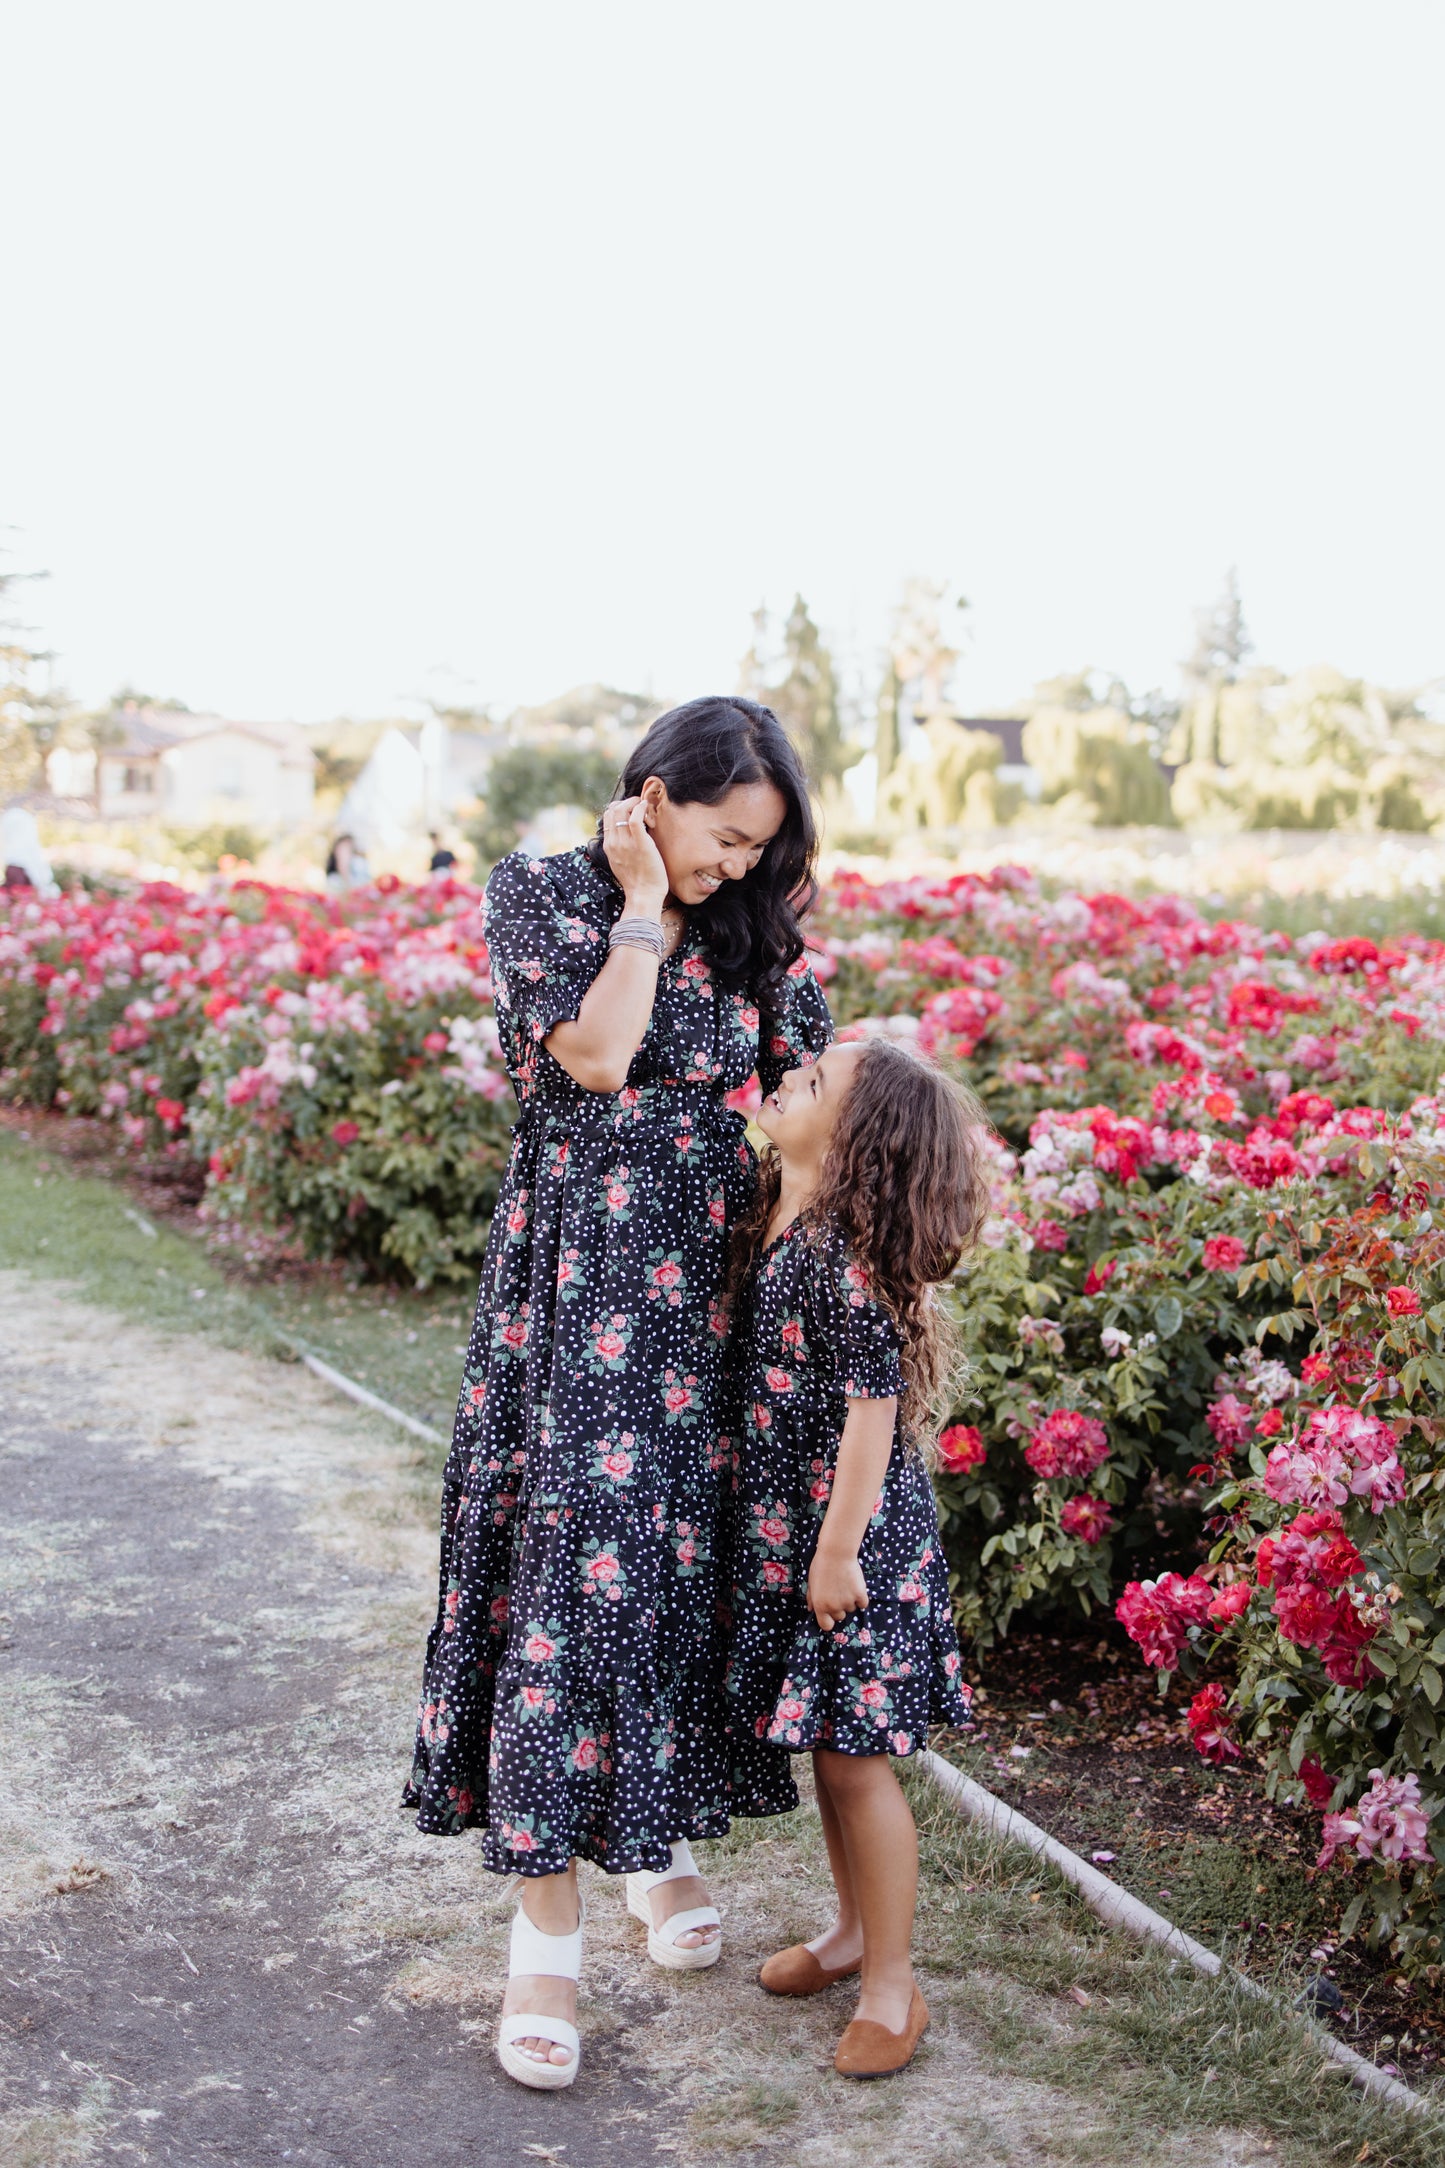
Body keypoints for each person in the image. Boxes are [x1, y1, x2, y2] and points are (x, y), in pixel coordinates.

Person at [402, 695, 833, 2090]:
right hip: (582, 1293)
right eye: (723, 839)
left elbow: (803, 1096)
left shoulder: (760, 927)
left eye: (763, 850)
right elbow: (592, 1058)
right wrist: (646, 906)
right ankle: (544, 1946)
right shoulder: (543, 892)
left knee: (668, 1578)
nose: (738, 871)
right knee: (565, 1588)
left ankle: (658, 1851)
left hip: (713, 1297)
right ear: (653, 795)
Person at [722, 1037, 988, 2078]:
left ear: (851, 1145)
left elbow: (870, 1412)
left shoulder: (838, 1256)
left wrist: (835, 1552)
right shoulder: (780, 1214)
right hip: (801, 1534)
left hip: (854, 1544)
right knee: (829, 1755)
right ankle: (844, 1936)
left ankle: (892, 1984)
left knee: (852, 1759)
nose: (786, 1076)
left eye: (812, 1082)